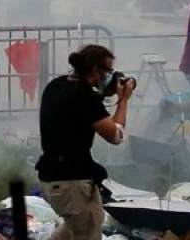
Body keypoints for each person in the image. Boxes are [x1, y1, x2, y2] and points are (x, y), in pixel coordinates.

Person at [37, 44, 134, 240]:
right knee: (88, 234)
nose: (110, 77)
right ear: (96, 70)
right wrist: (123, 100)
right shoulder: (84, 96)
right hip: (72, 180)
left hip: (53, 176)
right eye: (108, 71)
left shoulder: (57, 85)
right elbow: (115, 136)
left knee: (77, 228)